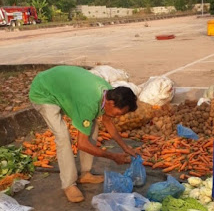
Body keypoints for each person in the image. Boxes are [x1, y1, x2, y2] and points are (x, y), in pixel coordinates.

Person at [29, 65, 138, 203]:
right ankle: (69, 185)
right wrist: (112, 156)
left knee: (92, 127)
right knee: (63, 137)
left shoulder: (108, 93)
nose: (117, 116)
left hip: (60, 87)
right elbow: (82, 144)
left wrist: (125, 147)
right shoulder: (90, 103)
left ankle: (85, 173)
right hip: (44, 91)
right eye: (119, 113)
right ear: (111, 103)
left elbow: (108, 121)